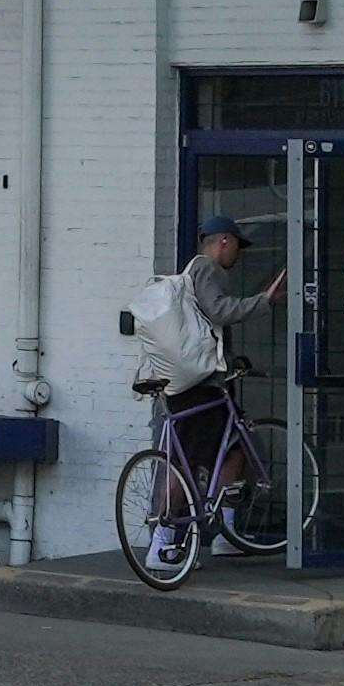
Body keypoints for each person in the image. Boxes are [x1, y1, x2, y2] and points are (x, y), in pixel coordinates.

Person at [124, 221, 276, 533]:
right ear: (225, 241)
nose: (238, 254)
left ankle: (225, 533)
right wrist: (265, 301)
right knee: (187, 464)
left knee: (233, 451)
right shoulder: (207, 269)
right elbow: (218, 311)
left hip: (195, 386)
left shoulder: (193, 272)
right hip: (202, 389)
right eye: (237, 246)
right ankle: (163, 538)